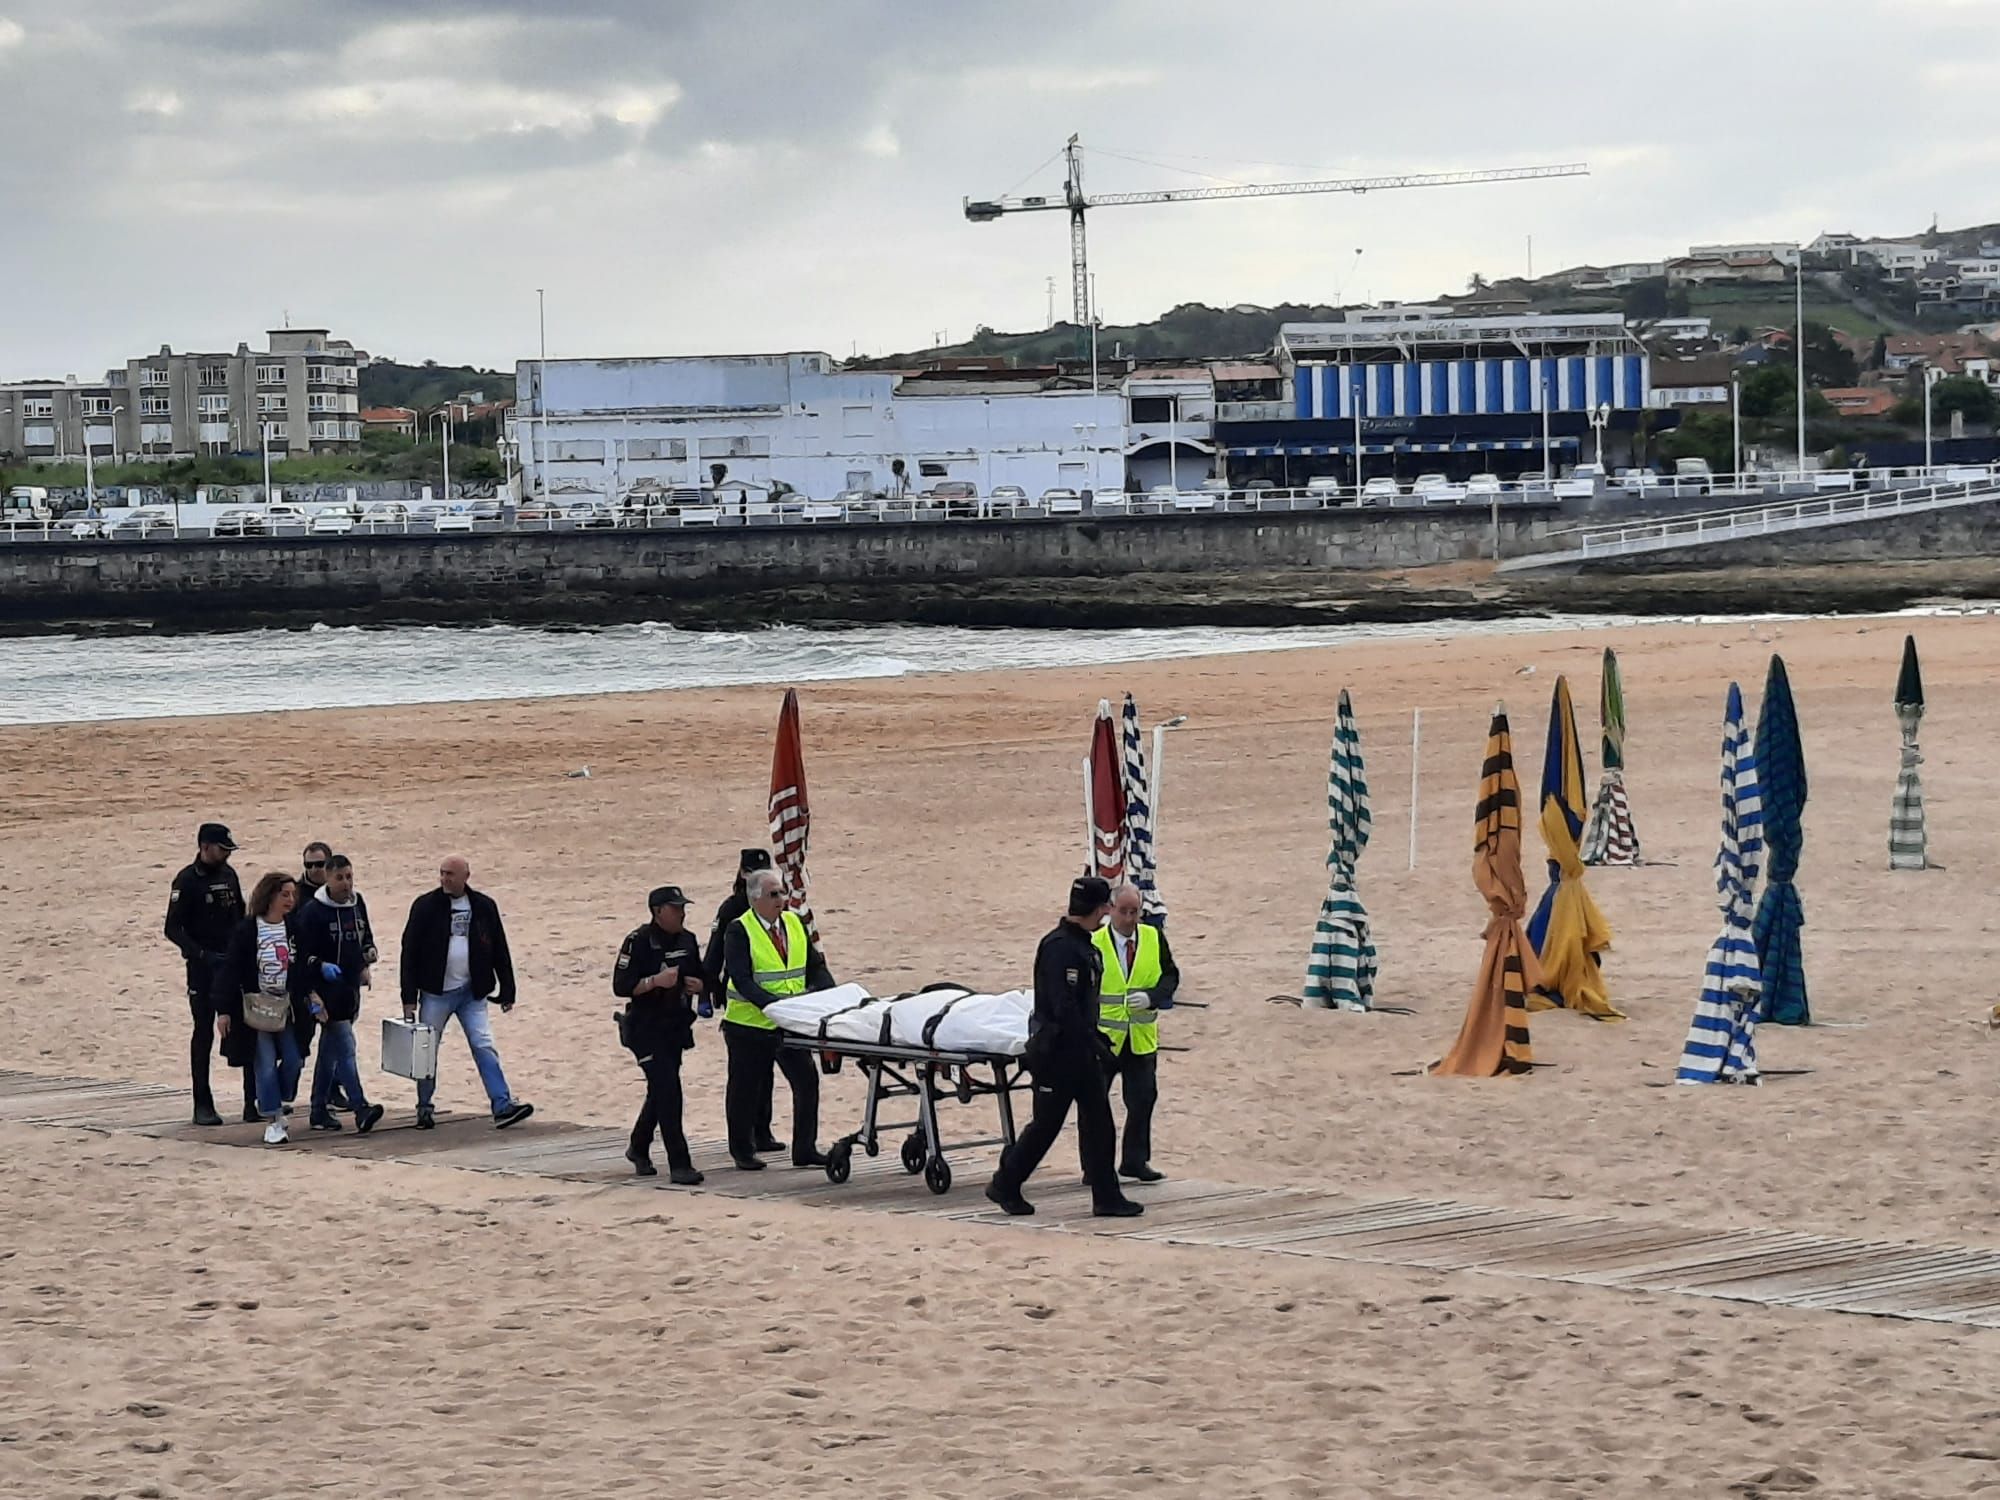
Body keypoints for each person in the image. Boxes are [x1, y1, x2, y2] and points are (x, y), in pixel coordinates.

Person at [984, 876, 1142, 1219]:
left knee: (1099, 1123)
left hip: (1082, 1053)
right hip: (1056, 1053)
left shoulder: (1084, 946)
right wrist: (1094, 1042)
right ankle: (1005, 1183)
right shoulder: (1059, 947)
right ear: (1100, 908)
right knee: (1046, 1125)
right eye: (1105, 907)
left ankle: (1106, 1196)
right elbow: (1062, 1006)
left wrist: (1094, 1042)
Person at [398, 855, 534, 1130]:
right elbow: (409, 951)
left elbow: (499, 948)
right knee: (426, 1052)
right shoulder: (425, 906)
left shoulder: (484, 906)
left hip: (472, 992)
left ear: (465, 877)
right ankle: (424, 1106)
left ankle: (502, 1104)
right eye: (442, 873)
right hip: (436, 993)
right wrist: (408, 998)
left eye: (450, 874)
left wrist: (507, 988)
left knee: (484, 1044)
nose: (445, 879)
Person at [720, 868, 829, 1172]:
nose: (781, 899)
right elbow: (741, 980)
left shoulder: (794, 923)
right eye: (773, 894)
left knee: (806, 1082)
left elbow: (815, 966)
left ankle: (805, 1149)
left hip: (789, 1023)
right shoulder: (739, 930)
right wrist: (774, 1006)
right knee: (745, 1089)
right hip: (749, 1025)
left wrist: (830, 996)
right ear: (755, 899)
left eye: (782, 892)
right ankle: (742, 1151)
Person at [612, 885, 706, 1185]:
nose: (682, 913)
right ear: (657, 911)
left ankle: (638, 1147)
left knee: (660, 1091)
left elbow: (702, 976)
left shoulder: (688, 940)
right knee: (669, 1091)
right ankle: (680, 1164)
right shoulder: (639, 941)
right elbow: (621, 986)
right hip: (645, 1028)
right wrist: (654, 982)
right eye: (675, 908)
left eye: (683, 907)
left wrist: (698, 986)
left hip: (676, 1026)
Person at [1089, 883, 1180, 1184]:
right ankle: (1094, 1167)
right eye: (1124, 911)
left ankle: (1135, 1160)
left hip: (1140, 1036)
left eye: (1135, 911)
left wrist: (1153, 997)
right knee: (1094, 1104)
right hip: (1104, 1038)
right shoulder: (1094, 942)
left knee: (1143, 1099)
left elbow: (1170, 976)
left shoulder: (1153, 937)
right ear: (1110, 910)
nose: (1129, 918)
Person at [163, 821, 252, 1126]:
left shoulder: (229, 875)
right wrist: (201, 954)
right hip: (202, 969)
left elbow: (240, 915)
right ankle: (202, 1102)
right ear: (204, 847)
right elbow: (172, 928)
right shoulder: (186, 881)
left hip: (231, 965)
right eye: (222, 849)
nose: (227, 855)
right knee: (203, 1033)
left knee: (246, 1027)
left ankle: (251, 1101)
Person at [293, 854, 385, 1134]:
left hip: (350, 990)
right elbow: (301, 954)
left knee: (330, 1053)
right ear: (328, 879)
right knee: (345, 1047)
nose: (346, 884)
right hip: (324, 993)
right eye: (340, 878)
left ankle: (319, 1110)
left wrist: (367, 957)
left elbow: (364, 935)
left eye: (349, 877)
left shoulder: (358, 904)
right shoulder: (313, 911)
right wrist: (319, 969)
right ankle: (360, 1108)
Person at [214, 871, 305, 1145]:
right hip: (255, 1008)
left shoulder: (295, 928)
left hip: (286, 1007)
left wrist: (311, 996)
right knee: (264, 1065)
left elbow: (302, 967)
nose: (290, 900)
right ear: (270, 896)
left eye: (292, 895)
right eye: (284, 894)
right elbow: (230, 970)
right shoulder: (247, 929)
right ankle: (273, 1118)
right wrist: (224, 1010)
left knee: (294, 1059)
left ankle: (279, 1097)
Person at [704, 846, 784, 1154]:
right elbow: (715, 950)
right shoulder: (732, 908)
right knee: (746, 1077)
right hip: (742, 1001)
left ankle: (762, 1131)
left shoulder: (774, 904)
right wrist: (708, 986)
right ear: (742, 874)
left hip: (772, 1005)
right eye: (751, 872)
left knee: (765, 1075)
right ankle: (745, 1138)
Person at [287, 840, 334, 1091]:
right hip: (304, 976)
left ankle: (330, 1091)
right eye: (309, 865)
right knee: (301, 1038)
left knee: (335, 1039)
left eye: (320, 864)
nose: (315, 869)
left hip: (332, 976)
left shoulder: (337, 893)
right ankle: (288, 1088)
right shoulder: (294, 895)